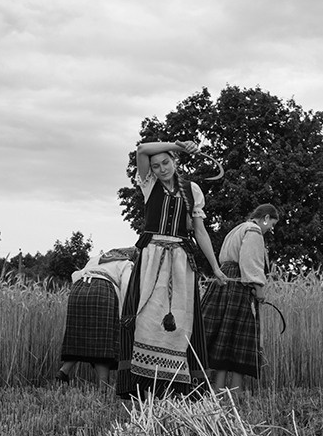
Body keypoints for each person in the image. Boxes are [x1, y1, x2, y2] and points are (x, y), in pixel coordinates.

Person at [116, 140, 227, 399]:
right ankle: (142, 386)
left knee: (179, 319)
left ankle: (176, 387)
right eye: (156, 166)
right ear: (151, 170)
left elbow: (200, 231)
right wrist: (177, 145)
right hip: (151, 258)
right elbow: (142, 149)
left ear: (175, 163)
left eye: (166, 162)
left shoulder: (192, 190)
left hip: (179, 261)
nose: (162, 168)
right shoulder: (149, 185)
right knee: (146, 316)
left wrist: (216, 268)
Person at [201, 204, 280, 394]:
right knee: (239, 340)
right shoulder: (253, 231)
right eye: (271, 225)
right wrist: (258, 288)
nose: (270, 230)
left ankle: (218, 390)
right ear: (266, 217)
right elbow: (250, 262)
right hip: (238, 285)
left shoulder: (239, 228)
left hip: (225, 282)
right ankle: (235, 393)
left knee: (224, 338)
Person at [56, 247, 136, 386]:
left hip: (78, 289)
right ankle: (103, 386)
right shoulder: (127, 264)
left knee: (78, 337)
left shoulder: (96, 259)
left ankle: (63, 372)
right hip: (102, 291)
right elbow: (127, 288)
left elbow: (76, 275)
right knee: (102, 342)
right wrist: (124, 316)